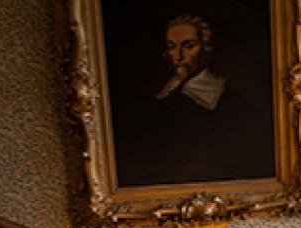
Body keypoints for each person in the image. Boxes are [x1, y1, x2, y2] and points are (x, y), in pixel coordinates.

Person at [117, 14, 273, 186]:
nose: (179, 56)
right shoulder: (165, 95)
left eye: (189, 46)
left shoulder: (229, 102)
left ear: (206, 49)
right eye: (172, 47)